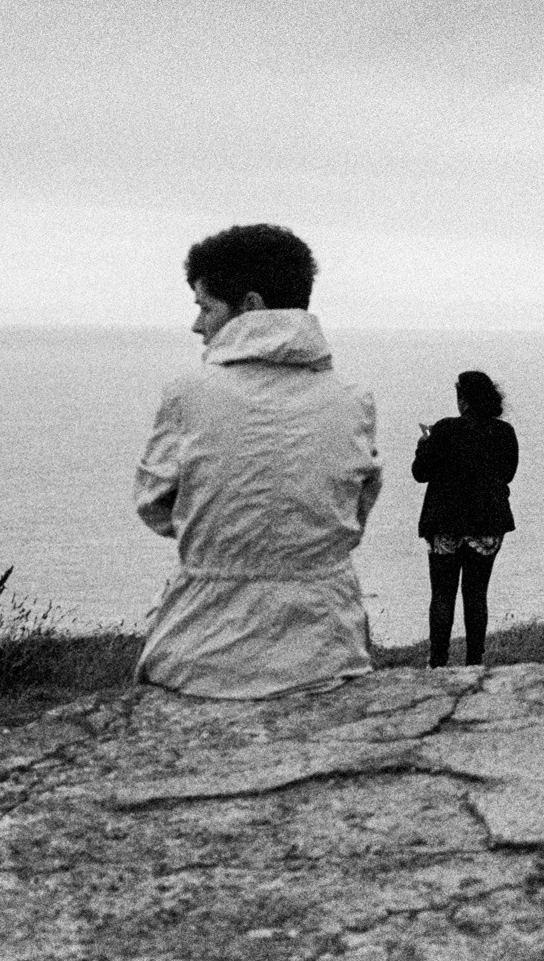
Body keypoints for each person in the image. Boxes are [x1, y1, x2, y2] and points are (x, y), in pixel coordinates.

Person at [134, 224, 383, 698]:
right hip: (326, 648)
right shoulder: (354, 400)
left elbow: (154, 505)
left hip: (203, 649)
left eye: (206, 307)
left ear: (250, 307)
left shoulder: (188, 395)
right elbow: (354, 509)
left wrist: (221, 532)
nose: (197, 326)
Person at [413, 371, 519, 668]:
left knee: (442, 594)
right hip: (487, 523)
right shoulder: (504, 432)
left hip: (445, 522)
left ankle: (438, 662)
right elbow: (508, 474)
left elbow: (421, 472)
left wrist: (425, 443)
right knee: (476, 593)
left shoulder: (445, 429)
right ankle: (474, 662)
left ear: (464, 400)